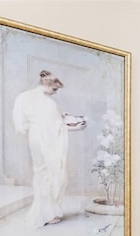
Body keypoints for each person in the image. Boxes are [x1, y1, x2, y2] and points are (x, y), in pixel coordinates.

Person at [13, 70, 87, 227]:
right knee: (53, 172)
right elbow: (56, 125)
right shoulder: (48, 103)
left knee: (41, 172)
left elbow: (20, 125)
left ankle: (44, 211)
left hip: (35, 137)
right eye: (54, 89)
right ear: (46, 85)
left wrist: (36, 126)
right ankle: (49, 213)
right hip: (47, 138)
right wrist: (75, 125)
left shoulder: (23, 97)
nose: (55, 93)